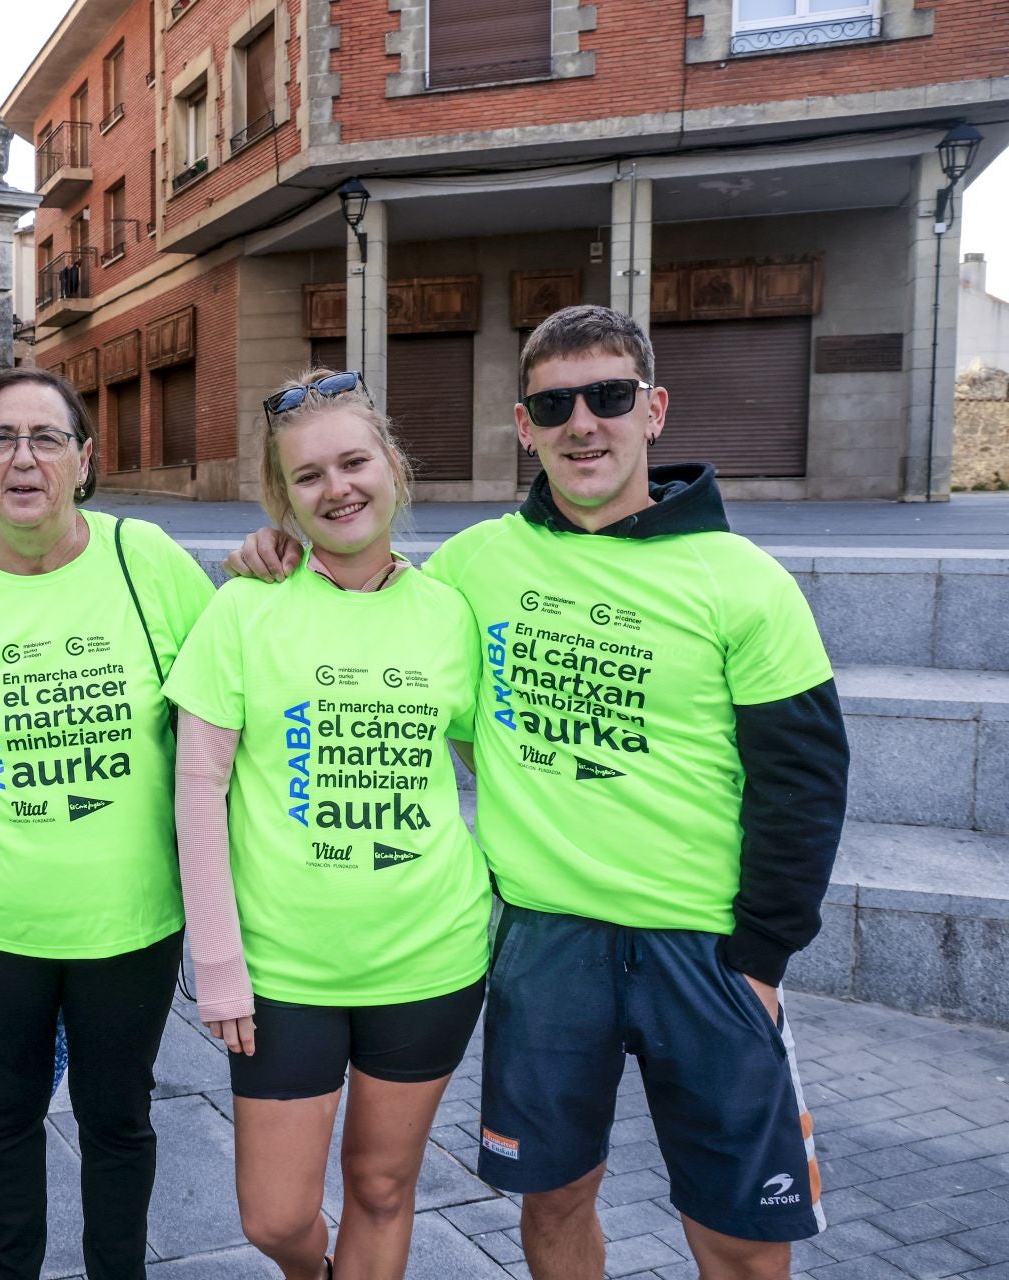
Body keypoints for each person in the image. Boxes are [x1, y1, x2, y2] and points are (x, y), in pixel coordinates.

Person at [225, 306, 850, 1280]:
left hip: (707, 945)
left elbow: (806, 779)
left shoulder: (745, 581)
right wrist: (282, 550)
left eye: (609, 396)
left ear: (654, 409)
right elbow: (370, 616)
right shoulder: (473, 568)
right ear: (525, 425)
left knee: (738, 1231)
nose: (583, 423)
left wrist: (762, 957)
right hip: (544, 943)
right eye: (555, 404)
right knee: (553, 1201)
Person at [0, 367, 213, 1280]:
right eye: (2, 440)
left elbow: (230, 695)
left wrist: (277, 560)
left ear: (84, 461)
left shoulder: (146, 560)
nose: (24, 458)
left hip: (131, 921)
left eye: (47, 439)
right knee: (3, 1119)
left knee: (119, 1120)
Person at [164, 371, 490, 1280]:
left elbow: (492, 768)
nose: (337, 488)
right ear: (282, 499)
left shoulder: (451, 614)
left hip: (431, 956)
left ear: (393, 465)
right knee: (276, 1218)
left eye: (354, 462)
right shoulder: (245, 608)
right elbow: (198, 793)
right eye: (308, 477)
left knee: (383, 1191)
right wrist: (220, 967)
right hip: (283, 972)